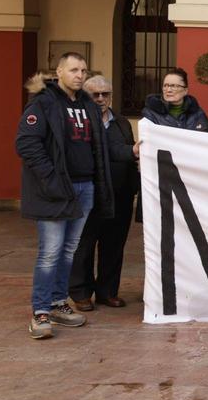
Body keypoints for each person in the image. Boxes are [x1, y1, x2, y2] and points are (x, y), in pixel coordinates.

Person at [14, 53, 114, 339]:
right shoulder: (44, 103)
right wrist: (51, 179)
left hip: (85, 189)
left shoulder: (87, 105)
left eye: (83, 70)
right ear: (59, 72)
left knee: (69, 250)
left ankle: (58, 303)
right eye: (73, 70)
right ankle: (40, 312)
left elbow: (101, 146)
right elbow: (26, 143)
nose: (80, 75)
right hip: (55, 192)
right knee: (49, 253)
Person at [68, 76, 139, 312]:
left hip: (120, 196)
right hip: (90, 195)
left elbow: (129, 158)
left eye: (105, 94)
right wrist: (131, 151)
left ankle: (107, 292)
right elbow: (106, 151)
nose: (100, 99)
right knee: (84, 245)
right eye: (94, 94)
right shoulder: (79, 122)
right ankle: (81, 293)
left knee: (114, 245)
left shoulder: (121, 122)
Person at [141, 68, 208, 132]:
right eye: (165, 85)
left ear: (185, 90)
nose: (168, 90)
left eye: (174, 86)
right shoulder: (151, 112)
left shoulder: (197, 113)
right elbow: (147, 138)